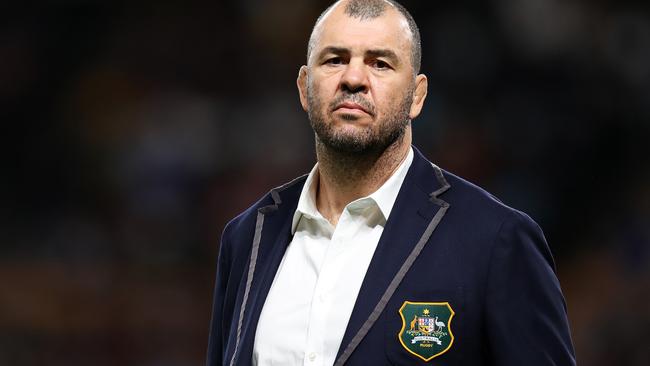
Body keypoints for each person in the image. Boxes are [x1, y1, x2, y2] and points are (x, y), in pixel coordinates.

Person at [206, 0, 576, 365]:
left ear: (417, 96)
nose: (353, 79)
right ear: (304, 87)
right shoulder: (248, 236)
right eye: (335, 60)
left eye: (379, 64)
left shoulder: (495, 239)